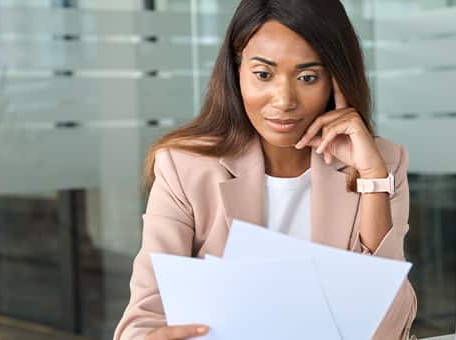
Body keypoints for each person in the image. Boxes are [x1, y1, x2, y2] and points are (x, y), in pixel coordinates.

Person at [114, 1, 416, 339]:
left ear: (336, 80)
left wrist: (373, 179)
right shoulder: (184, 168)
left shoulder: (382, 162)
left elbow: (389, 329)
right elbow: (141, 322)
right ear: (236, 70)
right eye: (263, 74)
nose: (284, 99)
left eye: (307, 77)